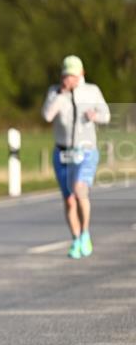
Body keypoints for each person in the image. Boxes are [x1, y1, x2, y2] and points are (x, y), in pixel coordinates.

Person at [42, 55, 110, 259]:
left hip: (86, 151)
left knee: (80, 190)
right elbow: (47, 116)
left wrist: (94, 116)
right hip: (62, 152)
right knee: (69, 199)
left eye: (72, 75)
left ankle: (86, 233)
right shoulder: (55, 92)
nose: (68, 78)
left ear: (81, 74)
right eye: (65, 74)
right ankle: (76, 238)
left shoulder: (92, 91)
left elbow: (106, 115)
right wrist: (61, 94)